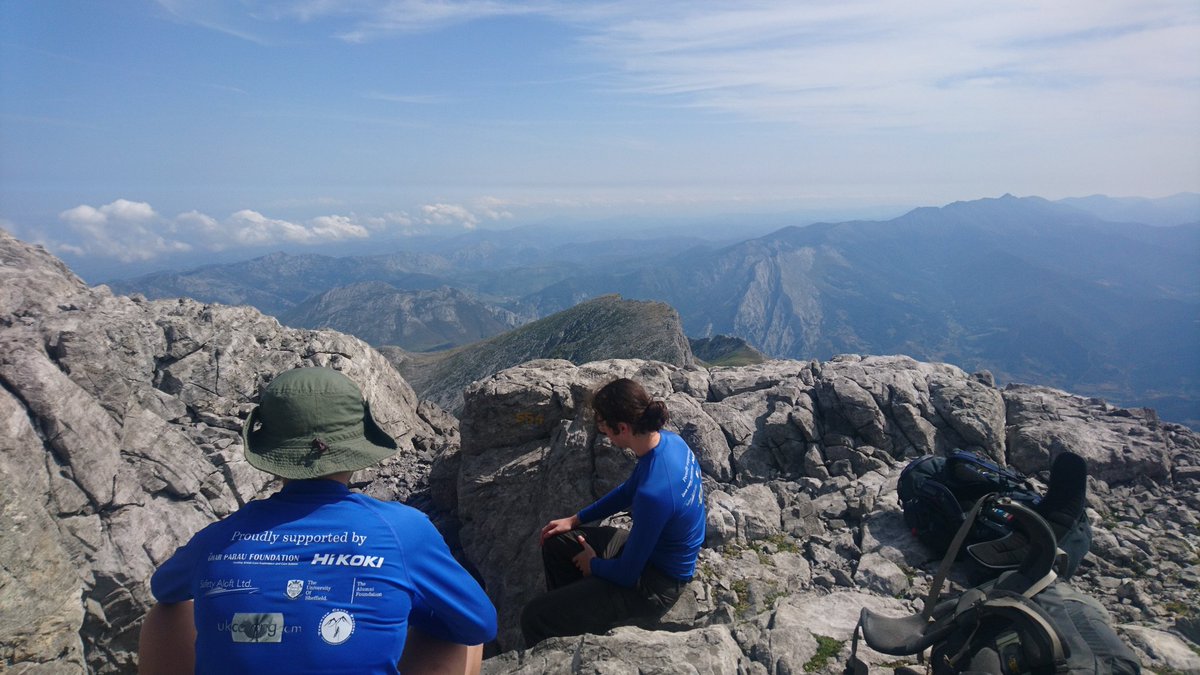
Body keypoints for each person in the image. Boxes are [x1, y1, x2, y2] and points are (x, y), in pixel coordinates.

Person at [139, 367, 496, 674]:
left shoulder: (219, 537)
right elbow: (480, 623)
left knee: (168, 612)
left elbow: (164, 590)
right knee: (454, 633)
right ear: (357, 445)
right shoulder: (404, 530)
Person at [520, 378, 706, 646]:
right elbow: (628, 490)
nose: (602, 432)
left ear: (622, 428)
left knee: (533, 618)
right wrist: (575, 520)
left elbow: (627, 574)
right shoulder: (669, 442)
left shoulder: (654, 494)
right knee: (556, 541)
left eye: (604, 426)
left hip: (654, 586)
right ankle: (576, 616)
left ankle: (563, 640)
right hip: (648, 555)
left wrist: (593, 564)